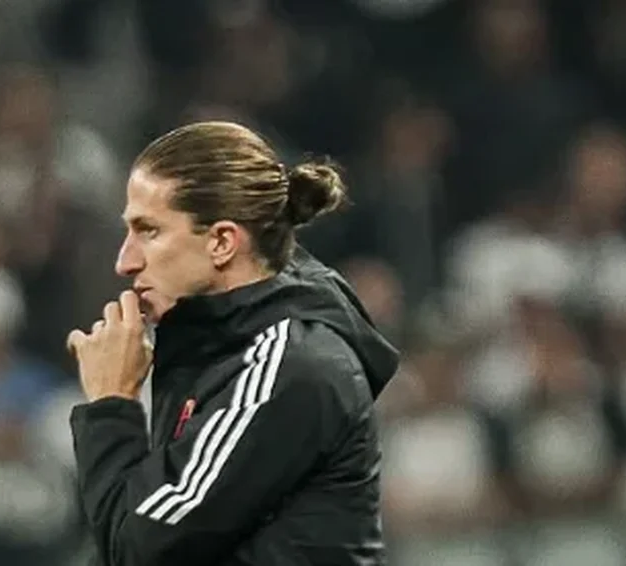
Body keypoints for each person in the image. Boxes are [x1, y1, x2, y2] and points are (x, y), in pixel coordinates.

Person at [66, 121, 400, 566]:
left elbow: (139, 550)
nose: (124, 262)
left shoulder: (288, 366)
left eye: (149, 231)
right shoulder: (211, 346)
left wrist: (112, 404)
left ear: (222, 241)